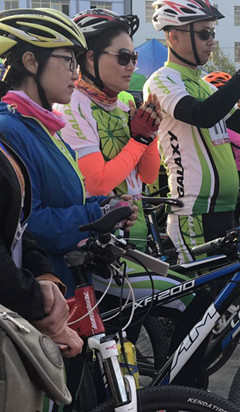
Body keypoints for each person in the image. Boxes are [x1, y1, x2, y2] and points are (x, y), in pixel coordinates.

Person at [0, 8, 137, 294]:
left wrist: (106, 206)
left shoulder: (44, 127)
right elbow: (27, 224)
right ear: (31, 62)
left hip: (68, 281)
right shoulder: (9, 129)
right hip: (43, 290)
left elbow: (66, 199)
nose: (76, 73)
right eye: (68, 60)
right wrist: (95, 216)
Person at [145, 0, 240, 263]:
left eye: (212, 33)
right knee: (208, 289)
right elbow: (203, 115)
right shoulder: (161, 79)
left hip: (226, 209)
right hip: (193, 210)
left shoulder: (206, 86)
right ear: (174, 36)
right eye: (203, 34)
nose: (211, 41)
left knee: (237, 287)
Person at [56, 9, 161, 251]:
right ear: (90, 58)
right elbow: (98, 183)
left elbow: (148, 176)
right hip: (102, 242)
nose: (132, 66)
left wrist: (150, 136)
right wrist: (138, 140)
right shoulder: (72, 106)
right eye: (123, 57)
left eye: (134, 57)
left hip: (137, 234)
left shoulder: (125, 102)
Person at [0, 137, 82, 357]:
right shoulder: (12, 126)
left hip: (19, 307)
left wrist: (44, 277)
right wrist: (38, 303)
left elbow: (16, 222)